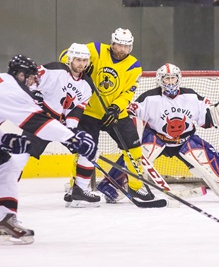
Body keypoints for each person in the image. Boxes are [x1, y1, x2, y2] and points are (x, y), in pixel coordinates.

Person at [99, 63, 219, 203]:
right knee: (134, 154)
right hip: (156, 138)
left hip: (185, 139)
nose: (170, 82)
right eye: (167, 79)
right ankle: (112, 187)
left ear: (179, 79)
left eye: (173, 78)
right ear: (160, 80)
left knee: (209, 155)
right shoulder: (149, 98)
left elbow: (207, 116)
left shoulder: (191, 96)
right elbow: (132, 113)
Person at [0, 54, 97, 244]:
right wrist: (72, 138)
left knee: (7, 166)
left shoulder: (6, 83)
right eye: (31, 77)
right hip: (55, 124)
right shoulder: (11, 90)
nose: (34, 81)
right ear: (21, 75)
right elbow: (37, 122)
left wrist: (4, 140)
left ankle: (5, 217)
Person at [59, 28, 155, 203]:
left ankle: (135, 186)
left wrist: (116, 108)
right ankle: (78, 187)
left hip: (115, 113)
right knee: (86, 149)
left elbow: (128, 93)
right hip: (88, 111)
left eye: (126, 46)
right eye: (119, 45)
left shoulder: (134, 66)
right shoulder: (95, 49)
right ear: (112, 43)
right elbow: (66, 55)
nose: (122, 49)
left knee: (133, 147)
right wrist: (80, 67)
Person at [12, 44, 101, 208]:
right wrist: (35, 96)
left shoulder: (88, 85)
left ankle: (79, 190)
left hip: (61, 125)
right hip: (41, 119)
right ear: (70, 59)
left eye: (84, 60)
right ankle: (5, 190)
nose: (81, 64)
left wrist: (72, 129)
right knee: (21, 154)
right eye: (78, 60)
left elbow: (76, 110)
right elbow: (31, 79)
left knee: (89, 147)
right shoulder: (55, 69)